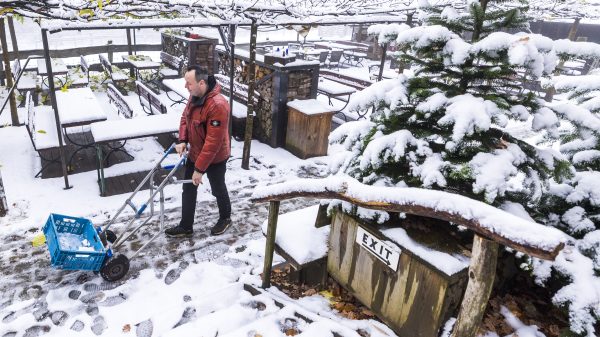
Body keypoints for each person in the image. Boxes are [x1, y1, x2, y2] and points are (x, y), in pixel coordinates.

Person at [165, 65, 232, 237]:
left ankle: (225, 218)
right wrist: (182, 140)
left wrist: (199, 170)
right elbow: (185, 118)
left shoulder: (218, 105)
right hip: (195, 151)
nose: (186, 87)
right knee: (188, 190)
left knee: (218, 188)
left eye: (188, 83)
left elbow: (213, 142)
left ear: (201, 83)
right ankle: (186, 226)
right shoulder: (194, 95)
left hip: (215, 156)